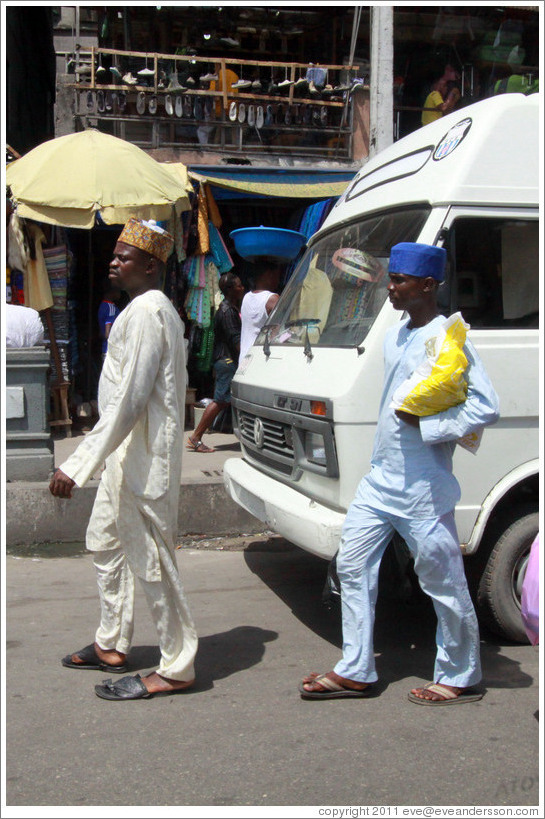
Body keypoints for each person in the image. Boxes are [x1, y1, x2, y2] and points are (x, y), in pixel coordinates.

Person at [300, 242, 500, 705]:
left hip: (422, 487)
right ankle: (356, 669)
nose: (390, 288)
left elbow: (485, 406)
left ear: (427, 286)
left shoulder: (451, 338)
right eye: (391, 279)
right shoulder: (394, 336)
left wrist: (430, 424)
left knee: (442, 581)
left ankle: (461, 675)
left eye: (400, 281)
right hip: (380, 478)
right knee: (351, 564)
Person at [49, 217, 198, 701]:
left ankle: (177, 667)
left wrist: (77, 462)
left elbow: (131, 399)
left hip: (143, 458)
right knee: (106, 543)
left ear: (151, 266)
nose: (113, 262)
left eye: (123, 256)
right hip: (124, 456)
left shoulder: (150, 311)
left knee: (152, 560)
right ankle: (112, 642)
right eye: (114, 254)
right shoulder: (141, 310)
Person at [187, 271, 244, 453]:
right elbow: (235, 340)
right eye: (239, 285)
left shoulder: (229, 308)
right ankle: (196, 437)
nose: (242, 288)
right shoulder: (227, 311)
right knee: (220, 400)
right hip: (227, 361)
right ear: (230, 289)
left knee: (226, 400)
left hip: (224, 360)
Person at [239, 257, 282, 361]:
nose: (278, 280)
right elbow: (278, 335)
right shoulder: (273, 299)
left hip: (244, 357)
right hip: (260, 359)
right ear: (269, 275)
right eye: (277, 275)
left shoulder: (246, 297)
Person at [97, 282, 121, 362]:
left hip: (104, 349)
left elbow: (102, 333)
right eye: (118, 291)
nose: (120, 293)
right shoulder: (111, 308)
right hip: (110, 351)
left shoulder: (102, 306)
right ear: (112, 292)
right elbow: (108, 333)